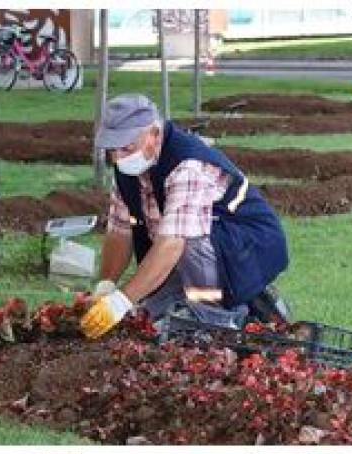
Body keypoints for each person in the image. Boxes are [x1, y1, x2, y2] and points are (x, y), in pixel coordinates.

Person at [81, 94, 289, 341]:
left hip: (247, 249)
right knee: (148, 317)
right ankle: (201, 310)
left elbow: (173, 243)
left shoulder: (188, 165)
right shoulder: (128, 167)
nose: (118, 158)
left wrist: (121, 300)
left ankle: (218, 322)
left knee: (189, 243)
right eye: (112, 150)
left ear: (155, 134)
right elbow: (120, 231)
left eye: (127, 148)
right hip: (197, 255)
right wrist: (106, 286)